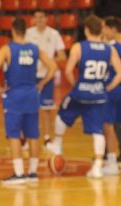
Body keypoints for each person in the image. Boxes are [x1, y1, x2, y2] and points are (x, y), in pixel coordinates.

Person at [47, 15, 121, 178]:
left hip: (81, 91)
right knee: (98, 130)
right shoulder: (110, 49)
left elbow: (67, 70)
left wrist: (76, 84)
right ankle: (98, 167)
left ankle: (58, 144)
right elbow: (120, 73)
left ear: (86, 30)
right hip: (99, 94)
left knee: (62, 113)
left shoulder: (79, 47)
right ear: (100, 30)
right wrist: (106, 87)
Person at [0, 18, 57, 184]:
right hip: (32, 94)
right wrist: (41, 84)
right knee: (33, 133)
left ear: (13, 30)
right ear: (26, 30)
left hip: (14, 95)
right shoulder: (35, 49)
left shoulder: (7, 49)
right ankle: (33, 173)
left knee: (14, 134)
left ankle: (19, 173)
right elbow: (53, 67)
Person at [25, 9, 67, 146]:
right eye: (36, 17)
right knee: (28, 107)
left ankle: (47, 138)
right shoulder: (28, 34)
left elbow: (62, 55)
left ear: (46, 18)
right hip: (30, 75)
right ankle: (26, 138)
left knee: (46, 108)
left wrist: (49, 60)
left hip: (47, 75)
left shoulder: (54, 34)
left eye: (41, 17)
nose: (39, 20)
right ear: (33, 19)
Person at [101, 16, 121, 175]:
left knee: (109, 124)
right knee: (116, 122)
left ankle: (111, 156)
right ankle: (111, 154)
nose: (103, 30)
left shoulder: (112, 48)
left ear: (113, 30)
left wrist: (108, 86)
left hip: (113, 88)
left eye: (105, 27)